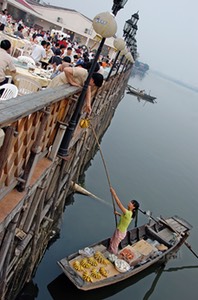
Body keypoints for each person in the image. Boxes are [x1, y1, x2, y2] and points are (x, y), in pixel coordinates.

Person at [108, 187, 139, 255]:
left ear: (133, 207)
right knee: (112, 241)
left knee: (114, 246)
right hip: (120, 230)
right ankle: (110, 253)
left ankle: (114, 257)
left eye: (131, 203)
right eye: (131, 202)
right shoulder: (129, 214)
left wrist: (114, 193)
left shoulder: (128, 213)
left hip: (120, 233)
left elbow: (119, 203)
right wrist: (118, 214)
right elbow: (125, 219)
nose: (129, 202)